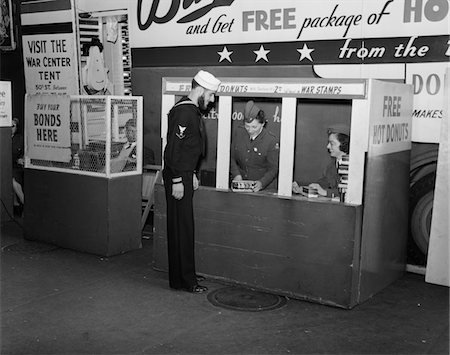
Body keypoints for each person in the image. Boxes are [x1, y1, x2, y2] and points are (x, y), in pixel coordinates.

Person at [163, 70, 220, 293]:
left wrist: (192, 173)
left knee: (181, 227)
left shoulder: (189, 110)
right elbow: (173, 150)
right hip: (178, 175)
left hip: (184, 174)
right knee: (182, 228)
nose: (212, 99)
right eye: (211, 95)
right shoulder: (185, 112)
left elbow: (188, 149)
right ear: (201, 90)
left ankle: (181, 278)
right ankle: (186, 281)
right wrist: (178, 179)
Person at [230, 100, 279, 192]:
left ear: (263, 124)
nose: (250, 130)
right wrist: (236, 174)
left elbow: (273, 168)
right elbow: (230, 157)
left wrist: (262, 183)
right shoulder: (239, 132)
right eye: (247, 126)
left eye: (254, 127)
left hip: (264, 189)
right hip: (242, 186)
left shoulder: (271, 141)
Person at [293, 124, 350, 198]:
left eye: (332, 143)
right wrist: (303, 189)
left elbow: (349, 192)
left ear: (344, 144)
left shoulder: (354, 167)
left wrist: (326, 192)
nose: (328, 146)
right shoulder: (331, 166)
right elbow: (322, 184)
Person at [11, 118, 24, 216]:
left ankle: (22, 203)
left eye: (13, 126)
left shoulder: (20, 138)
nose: (11, 128)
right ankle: (18, 203)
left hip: (17, 167)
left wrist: (22, 158)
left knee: (14, 179)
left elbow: (24, 152)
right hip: (7, 165)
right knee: (12, 180)